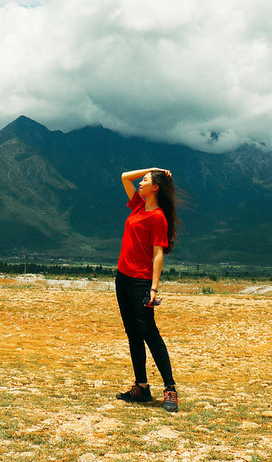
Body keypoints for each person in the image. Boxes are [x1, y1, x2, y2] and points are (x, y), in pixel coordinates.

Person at [115, 167, 179, 412]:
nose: (140, 183)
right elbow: (124, 177)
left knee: (149, 334)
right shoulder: (138, 206)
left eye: (146, 181)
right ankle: (141, 387)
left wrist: (154, 288)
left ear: (156, 189)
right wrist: (153, 169)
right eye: (141, 180)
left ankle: (170, 389)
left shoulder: (158, 217)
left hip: (141, 282)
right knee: (133, 334)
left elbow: (158, 253)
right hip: (122, 279)